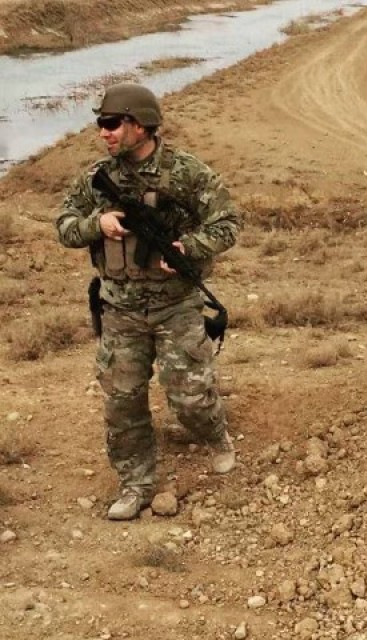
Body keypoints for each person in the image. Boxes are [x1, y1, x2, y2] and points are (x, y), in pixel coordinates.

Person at [56, 83, 241, 520]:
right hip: (119, 310)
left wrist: (188, 249)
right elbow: (63, 223)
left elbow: (228, 222)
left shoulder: (186, 173)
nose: (102, 133)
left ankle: (215, 434)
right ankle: (135, 483)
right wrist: (94, 224)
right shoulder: (97, 179)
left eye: (110, 123)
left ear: (139, 125)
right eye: (99, 124)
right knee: (122, 402)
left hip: (175, 307)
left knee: (189, 398)